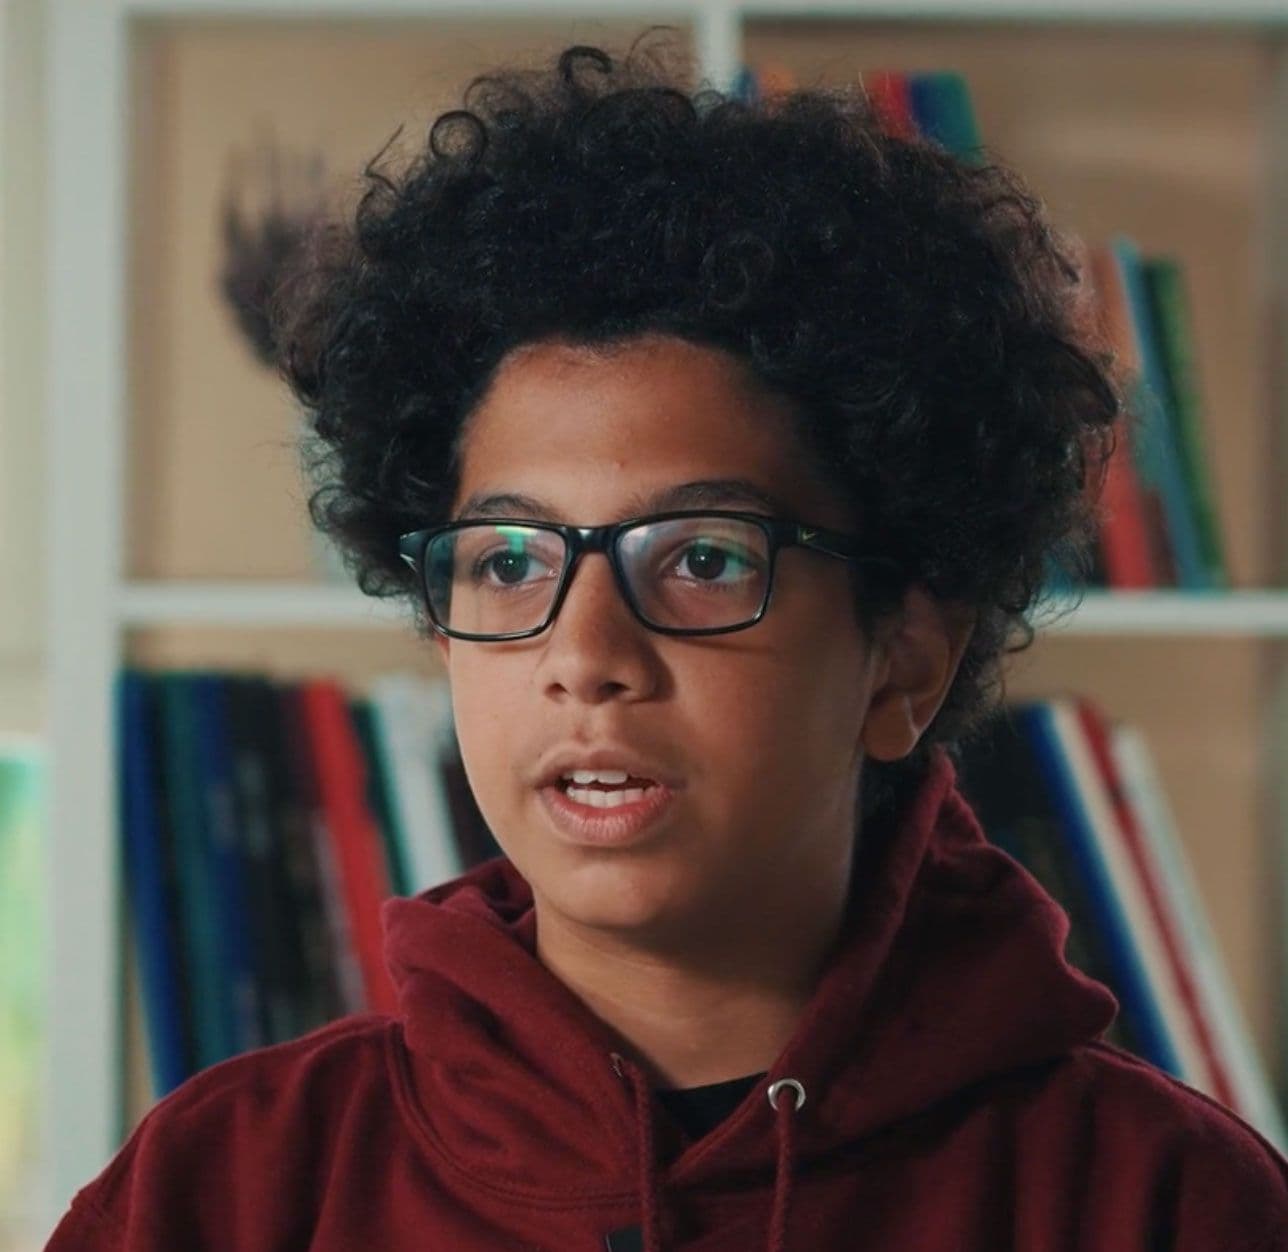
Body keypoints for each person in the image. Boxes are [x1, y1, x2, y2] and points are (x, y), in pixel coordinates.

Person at [48, 31, 1288, 1252]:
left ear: (905, 658)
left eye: (701, 559)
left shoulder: (1165, 1201)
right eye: (509, 562)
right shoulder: (226, 1186)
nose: (585, 654)